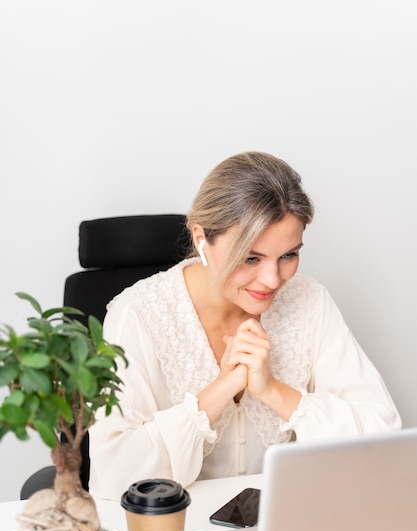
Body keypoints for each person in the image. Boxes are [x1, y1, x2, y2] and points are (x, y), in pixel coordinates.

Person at [89, 151, 401, 500]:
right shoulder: (137, 314)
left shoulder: (309, 301)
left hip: (282, 529)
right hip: (173, 530)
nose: (272, 279)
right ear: (201, 239)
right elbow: (115, 474)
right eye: (250, 258)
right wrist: (222, 387)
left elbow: (383, 438)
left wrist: (273, 391)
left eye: (289, 255)